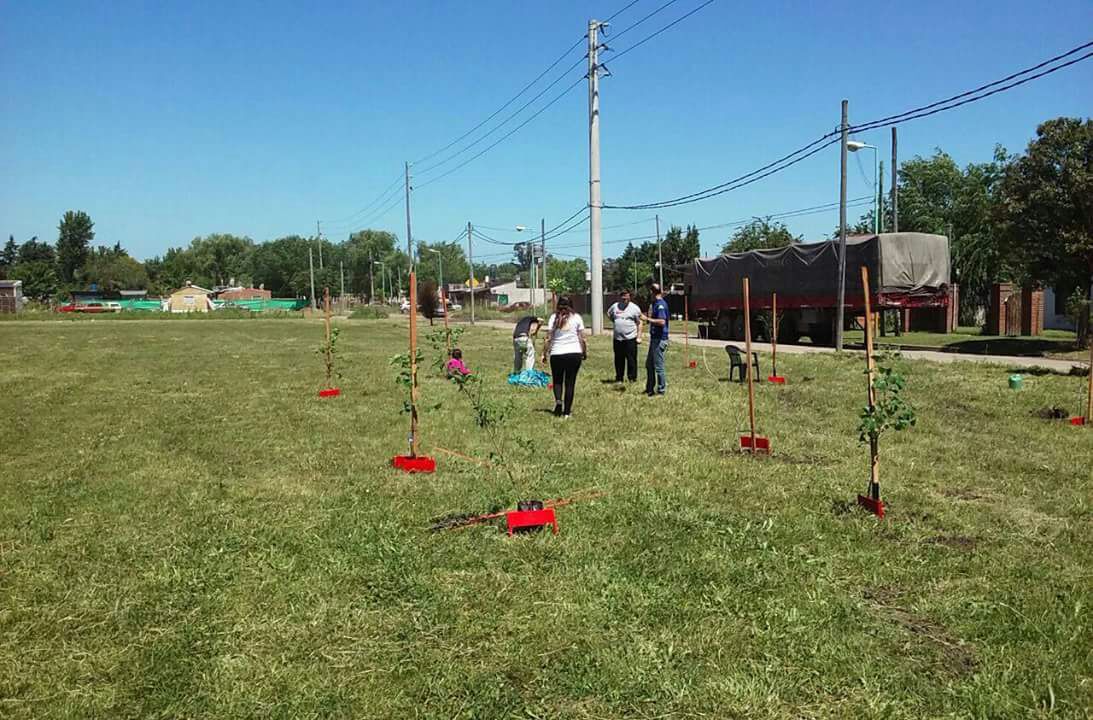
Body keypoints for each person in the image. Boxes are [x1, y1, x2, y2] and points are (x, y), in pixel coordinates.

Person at [541, 296, 586, 418]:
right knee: (570, 383)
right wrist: (584, 352)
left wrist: (544, 354)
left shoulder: (553, 318)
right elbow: (582, 338)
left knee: (557, 381)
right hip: (574, 353)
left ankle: (558, 402)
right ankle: (567, 412)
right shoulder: (577, 318)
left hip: (557, 353)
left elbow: (548, 338)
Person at [607, 289, 643, 383]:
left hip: (630, 338)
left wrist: (639, 337)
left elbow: (639, 323)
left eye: (626, 296)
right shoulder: (615, 306)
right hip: (617, 338)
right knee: (618, 359)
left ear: (629, 297)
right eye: (622, 296)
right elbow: (609, 315)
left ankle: (632, 378)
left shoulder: (635, 308)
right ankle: (619, 377)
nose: (624, 298)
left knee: (631, 359)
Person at [642, 283, 670, 396]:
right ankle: (649, 388)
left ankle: (661, 391)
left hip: (659, 339)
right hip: (654, 339)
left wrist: (648, 319)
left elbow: (662, 321)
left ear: (652, 292)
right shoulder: (655, 304)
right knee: (649, 365)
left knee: (659, 367)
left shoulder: (661, 305)